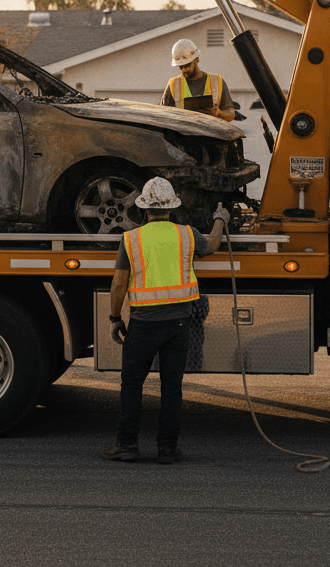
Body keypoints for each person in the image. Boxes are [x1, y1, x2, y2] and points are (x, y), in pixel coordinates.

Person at [102, 177, 228, 464]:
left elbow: (119, 284)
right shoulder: (187, 234)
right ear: (171, 207)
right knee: (172, 386)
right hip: (179, 324)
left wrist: (114, 318)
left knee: (132, 384)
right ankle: (167, 449)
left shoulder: (131, 239)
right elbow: (213, 245)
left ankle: (127, 445)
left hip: (144, 323)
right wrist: (220, 219)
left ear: (145, 209)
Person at [161, 38, 235, 121]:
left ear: (197, 59)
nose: (184, 70)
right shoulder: (173, 84)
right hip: (183, 133)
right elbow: (163, 116)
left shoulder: (217, 82)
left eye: (187, 65)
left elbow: (231, 114)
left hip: (210, 133)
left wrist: (218, 113)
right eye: (181, 66)